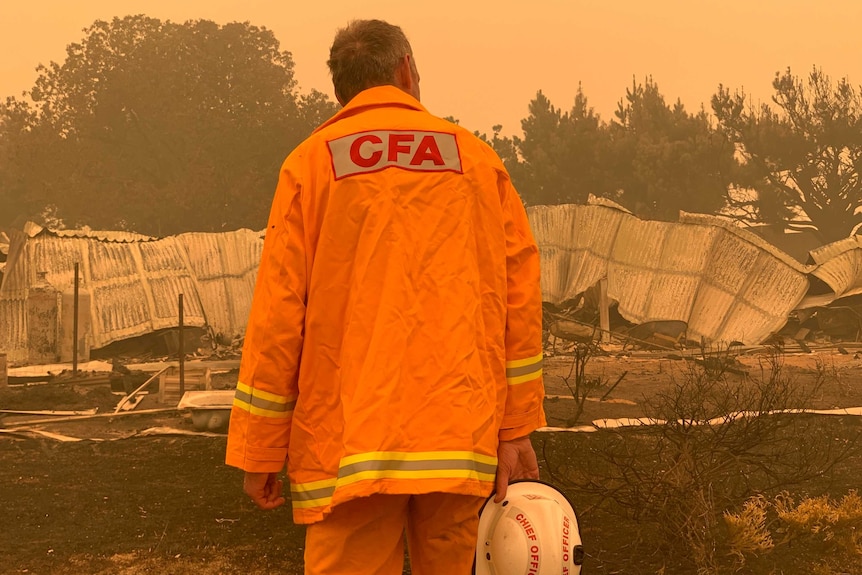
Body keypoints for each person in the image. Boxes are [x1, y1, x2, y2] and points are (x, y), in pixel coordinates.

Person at [225, 19, 546, 575]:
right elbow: (519, 296)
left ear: (340, 91)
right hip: (459, 441)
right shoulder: (476, 160)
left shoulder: (310, 164)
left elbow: (278, 317)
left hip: (348, 448)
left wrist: (258, 449)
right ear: (406, 71)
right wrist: (515, 429)